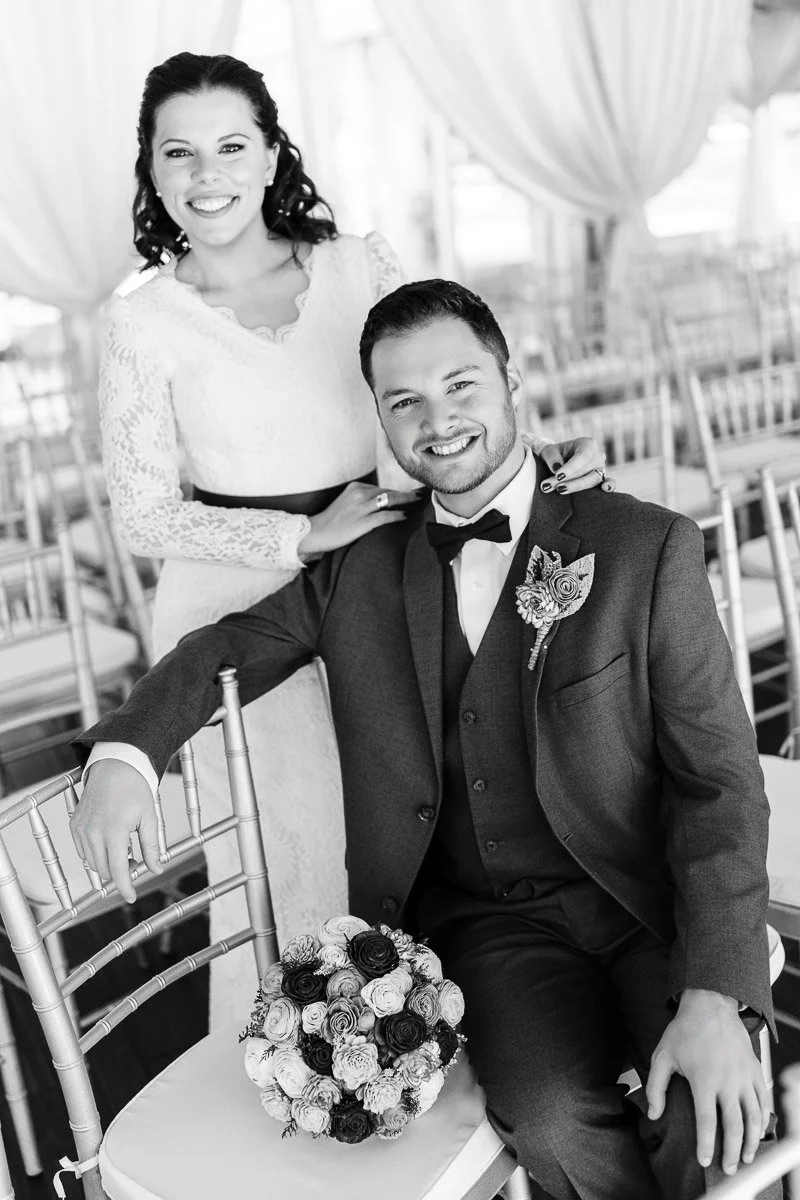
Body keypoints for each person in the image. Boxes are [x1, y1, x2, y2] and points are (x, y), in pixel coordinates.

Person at [76, 278, 774, 1198]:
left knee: (702, 1110)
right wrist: (128, 749)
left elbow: (719, 781)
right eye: (404, 401)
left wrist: (718, 996)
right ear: (380, 417)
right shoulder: (363, 567)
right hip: (489, 929)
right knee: (551, 1115)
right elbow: (226, 646)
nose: (436, 422)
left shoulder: (647, 547)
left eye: (460, 386)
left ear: (511, 379)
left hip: (648, 898)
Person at [100, 51, 609, 1030]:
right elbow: (142, 513)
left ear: (266, 152)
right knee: (295, 834)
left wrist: (534, 461)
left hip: (379, 565)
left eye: (229, 145)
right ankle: (303, 1057)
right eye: (180, 153)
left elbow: (434, 379)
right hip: (237, 593)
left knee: (405, 802)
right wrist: (301, 534)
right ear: (154, 172)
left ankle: (426, 1031)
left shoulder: (352, 265)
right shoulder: (141, 322)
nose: (208, 174)